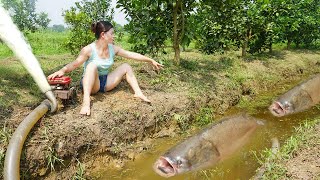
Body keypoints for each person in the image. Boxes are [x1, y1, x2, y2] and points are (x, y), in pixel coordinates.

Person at [48, 21, 163, 116]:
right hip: (92, 84)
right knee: (92, 65)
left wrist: (150, 60)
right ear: (103, 35)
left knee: (126, 66)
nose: (114, 36)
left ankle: (138, 93)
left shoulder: (113, 48)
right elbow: (75, 63)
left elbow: (131, 54)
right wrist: (62, 70)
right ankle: (86, 102)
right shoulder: (89, 49)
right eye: (112, 33)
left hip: (105, 82)